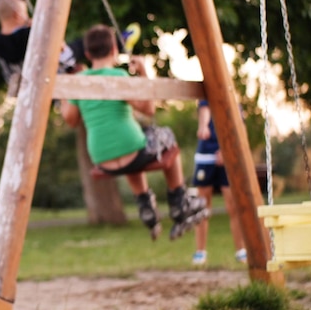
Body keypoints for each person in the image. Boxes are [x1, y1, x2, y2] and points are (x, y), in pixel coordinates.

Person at [59, 24, 208, 240]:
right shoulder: (119, 75)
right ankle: (178, 200)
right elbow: (148, 109)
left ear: (88, 54)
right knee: (165, 135)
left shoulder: (79, 82)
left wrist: (65, 90)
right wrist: (143, 72)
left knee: (134, 144)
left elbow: (71, 120)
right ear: (114, 50)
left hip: (101, 157)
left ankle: (145, 204)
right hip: (132, 149)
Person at [191, 100, 247, 265]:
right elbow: (204, 111)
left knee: (233, 205)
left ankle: (241, 251)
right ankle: (200, 252)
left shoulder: (234, 102)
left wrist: (227, 149)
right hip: (205, 156)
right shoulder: (206, 99)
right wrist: (203, 126)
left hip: (227, 157)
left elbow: (239, 129)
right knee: (203, 205)